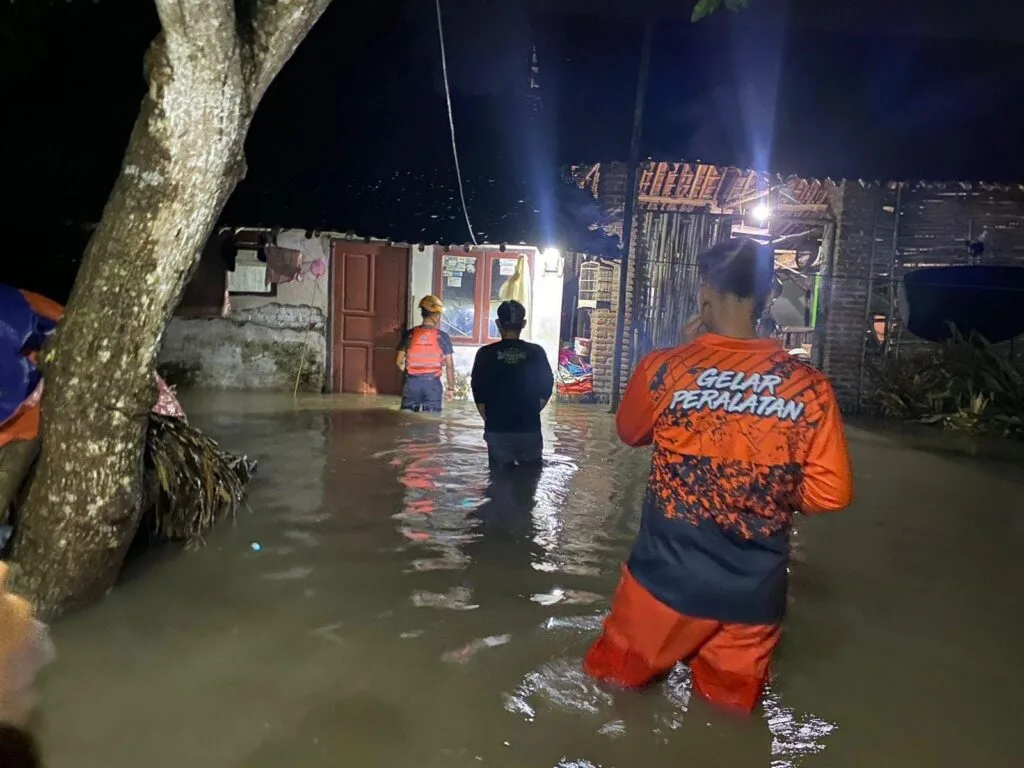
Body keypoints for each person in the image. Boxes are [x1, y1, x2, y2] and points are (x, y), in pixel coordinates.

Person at [583, 238, 853, 714]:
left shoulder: (665, 369)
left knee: (610, 693)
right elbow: (831, 495)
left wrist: (691, 358)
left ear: (705, 294)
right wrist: (770, 487)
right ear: (766, 297)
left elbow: (630, 432)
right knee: (727, 719)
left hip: (662, 585)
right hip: (753, 598)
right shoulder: (811, 388)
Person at [470, 300, 554, 470]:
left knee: (498, 482)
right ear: (523, 324)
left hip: (497, 429)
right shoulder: (536, 352)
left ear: (498, 323)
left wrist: (491, 419)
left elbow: (478, 391)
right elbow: (547, 386)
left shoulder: (485, 354)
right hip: (529, 428)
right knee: (529, 483)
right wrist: (530, 411)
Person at [396, 295, 456, 413]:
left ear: (422, 313)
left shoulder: (410, 334)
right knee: (432, 424)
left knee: (407, 421)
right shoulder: (443, 337)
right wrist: (451, 388)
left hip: (412, 384)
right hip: (432, 386)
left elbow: (398, 362)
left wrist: (411, 372)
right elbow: (449, 365)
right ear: (436, 315)